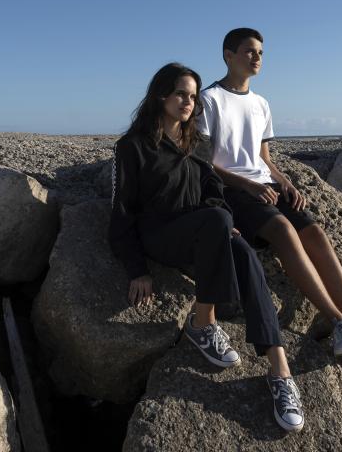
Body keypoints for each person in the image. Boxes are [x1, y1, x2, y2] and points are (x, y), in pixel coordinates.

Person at [108, 62, 304, 432]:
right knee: (220, 224)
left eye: (193, 96)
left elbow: (214, 192)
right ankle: (204, 321)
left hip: (202, 231)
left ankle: (280, 372)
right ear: (161, 94)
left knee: (242, 250)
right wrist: (137, 269)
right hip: (159, 236)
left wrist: (223, 225)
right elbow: (120, 214)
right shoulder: (131, 147)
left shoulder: (197, 144)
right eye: (181, 93)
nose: (188, 101)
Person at [197, 28, 342, 357]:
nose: (257, 58)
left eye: (261, 52)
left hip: (266, 184)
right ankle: (339, 324)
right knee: (283, 230)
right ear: (228, 55)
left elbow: (263, 157)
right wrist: (248, 184)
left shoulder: (260, 103)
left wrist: (284, 180)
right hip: (233, 190)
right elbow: (204, 162)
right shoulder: (209, 99)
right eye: (249, 52)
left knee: (315, 233)